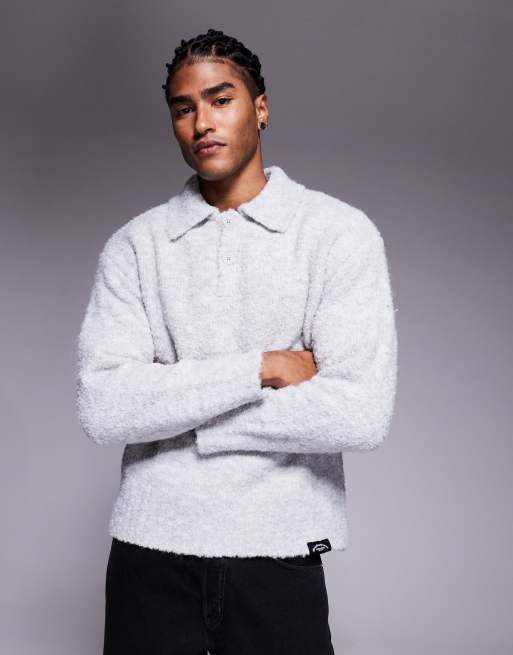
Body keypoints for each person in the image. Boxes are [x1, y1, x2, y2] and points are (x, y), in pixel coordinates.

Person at [76, 27, 398, 655]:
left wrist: (185, 420)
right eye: (183, 108)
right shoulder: (135, 247)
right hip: (149, 552)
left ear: (261, 108)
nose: (202, 122)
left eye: (221, 100)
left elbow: (359, 413)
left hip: (280, 551)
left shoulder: (337, 234)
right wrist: (263, 367)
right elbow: (103, 407)